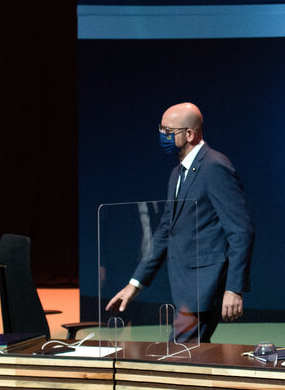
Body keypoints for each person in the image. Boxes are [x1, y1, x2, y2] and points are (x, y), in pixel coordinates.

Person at [105, 102, 255, 342]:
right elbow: (166, 230)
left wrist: (233, 288)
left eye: (168, 131)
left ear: (190, 134)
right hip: (184, 287)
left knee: (180, 355)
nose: (162, 136)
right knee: (188, 358)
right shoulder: (178, 173)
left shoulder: (214, 166)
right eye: (161, 129)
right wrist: (135, 284)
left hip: (205, 285)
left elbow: (241, 230)